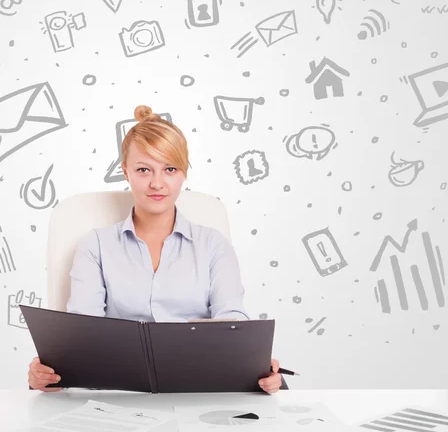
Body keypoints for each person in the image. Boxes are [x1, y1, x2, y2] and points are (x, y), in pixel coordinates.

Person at [28, 105, 284, 394]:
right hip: (118, 396)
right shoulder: (96, 246)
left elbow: (233, 323)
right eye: (143, 169)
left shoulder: (213, 245)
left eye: (170, 169)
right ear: (125, 172)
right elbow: (82, 336)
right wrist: (49, 373)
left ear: (183, 173)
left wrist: (257, 366)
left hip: (198, 390)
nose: (157, 183)